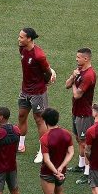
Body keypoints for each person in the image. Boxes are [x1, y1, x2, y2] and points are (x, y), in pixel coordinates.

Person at [16, 27, 56, 163]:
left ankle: (43, 150)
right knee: (21, 115)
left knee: (40, 120)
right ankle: (20, 145)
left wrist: (46, 81)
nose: (19, 39)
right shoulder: (22, 48)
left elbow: (48, 72)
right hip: (25, 91)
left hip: (38, 93)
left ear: (29, 39)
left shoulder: (39, 55)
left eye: (21, 37)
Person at [64, 48, 97, 184]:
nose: (76, 59)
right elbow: (67, 85)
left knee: (85, 143)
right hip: (76, 111)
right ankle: (81, 165)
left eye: (78, 57)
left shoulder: (89, 75)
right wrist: (73, 76)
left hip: (84, 114)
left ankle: (88, 172)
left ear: (86, 59)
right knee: (79, 140)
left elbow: (77, 95)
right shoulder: (79, 72)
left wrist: (74, 85)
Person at [39, 108, 74, 194]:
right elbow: (71, 152)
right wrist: (60, 168)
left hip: (48, 172)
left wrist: (55, 171)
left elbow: (47, 159)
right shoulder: (66, 133)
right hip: (62, 171)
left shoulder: (45, 138)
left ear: (45, 121)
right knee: (59, 191)